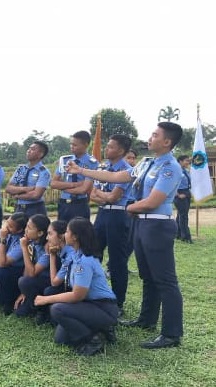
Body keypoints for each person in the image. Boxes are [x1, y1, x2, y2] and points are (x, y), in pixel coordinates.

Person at [66, 122, 184, 349]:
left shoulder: (170, 167)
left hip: (157, 227)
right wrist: (82, 171)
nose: (150, 138)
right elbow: (119, 176)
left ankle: (171, 333)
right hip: (141, 225)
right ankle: (147, 319)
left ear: (167, 142)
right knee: (147, 276)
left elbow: (153, 202)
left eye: (155, 134)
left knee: (165, 280)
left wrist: (127, 207)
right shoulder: (148, 163)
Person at [34, 217, 119, 356]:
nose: (64, 235)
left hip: (103, 308)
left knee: (57, 309)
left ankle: (94, 340)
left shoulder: (84, 262)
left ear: (75, 237)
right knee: (60, 339)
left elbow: (77, 295)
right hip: (89, 305)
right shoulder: (76, 256)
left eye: (67, 231)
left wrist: (46, 299)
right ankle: (101, 330)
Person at [90, 134, 133, 317]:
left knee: (117, 261)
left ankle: (118, 302)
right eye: (107, 146)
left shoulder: (126, 170)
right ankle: (94, 294)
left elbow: (112, 197)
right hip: (102, 214)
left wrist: (102, 196)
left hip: (118, 215)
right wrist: (102, 196)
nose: (106, 149)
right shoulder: (103, 168)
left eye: (111, 147)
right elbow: (92, 194)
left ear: (121, 150)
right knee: (93, 254)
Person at [50, 131, 99, 222]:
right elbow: (53, 184)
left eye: (75, 145)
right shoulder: (65, 161)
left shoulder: (92, 163)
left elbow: (84, 189)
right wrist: (75, 184)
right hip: (64, 203)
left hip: (80, 204)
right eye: (71, 144)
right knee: (62, 232)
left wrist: (62, 187)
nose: (71, 147)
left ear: (85, 145)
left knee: (80, 233)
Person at [13, 214, 51, 318]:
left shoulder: (47, 248)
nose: (25, 230)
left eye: (29, 228)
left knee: (23, 281)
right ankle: (32, 303)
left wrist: (24, 247)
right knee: (19, 312)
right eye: (26, 227)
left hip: (48, 283)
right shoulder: (33, 243)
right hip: (35, 282)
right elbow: (27, 268)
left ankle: (42, 310)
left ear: (40, 233)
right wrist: (24, 292)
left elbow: (32, 273)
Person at [0, 212, 28, 315]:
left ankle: (8, 302)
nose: (6, 228)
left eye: (10, 226)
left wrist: (2, 240)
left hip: (17, 272)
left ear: (20, 230)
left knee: (0, 272)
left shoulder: (21, 242)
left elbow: (1, 263)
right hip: (7, 269)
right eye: (7, 223)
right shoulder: (10, 235)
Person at [5, 141, 51, 217]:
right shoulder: (21, 169)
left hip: (35, 209)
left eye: (32, 149)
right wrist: (27, 189)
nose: (28, 151)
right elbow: (8, 188)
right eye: (29, 148)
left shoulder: (43, 172)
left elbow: (36, 195)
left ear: (40, 154)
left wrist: (17, 196)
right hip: (19, 208)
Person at [174, 155, 193, 243]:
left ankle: (178, 234)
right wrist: (177, 195)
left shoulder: (185, 170)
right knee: (184, 216)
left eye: (188, 161)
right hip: (180, 193)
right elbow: (172, 184)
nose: (188, 162)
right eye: (186, 160)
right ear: (180, 161)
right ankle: (186, 237)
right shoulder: (176, 171)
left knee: (180, 215)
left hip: (186, 192)